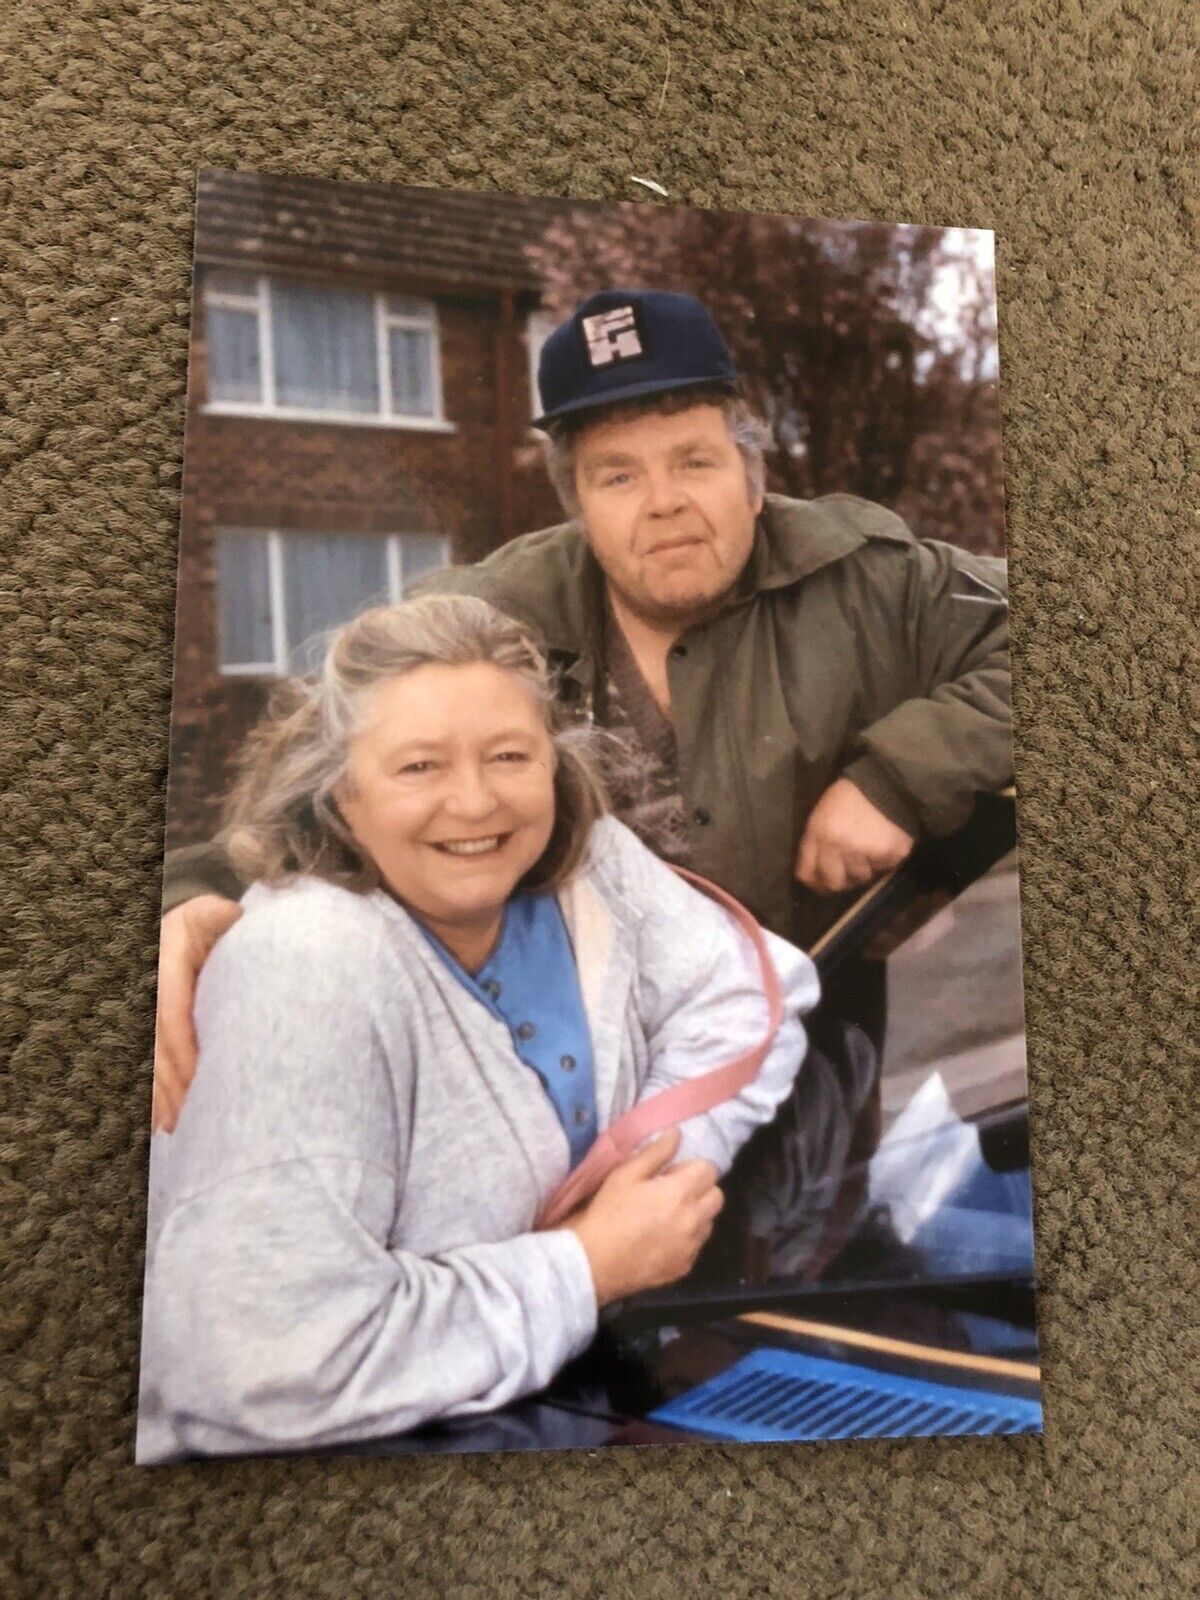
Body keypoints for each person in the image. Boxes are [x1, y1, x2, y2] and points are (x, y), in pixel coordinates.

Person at [152, 287, 1011, 1229]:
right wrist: (189, 900)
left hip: (825, 1059)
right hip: (565, 1119)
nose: (666, 504)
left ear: (752, 475)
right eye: (619, 476)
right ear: (576, 504)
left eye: (695, 460)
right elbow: (332, 778)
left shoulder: (876, 582)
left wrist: (897, 776)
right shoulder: (484, 620)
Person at [137, 595, 818, 1462]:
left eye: (509, 756)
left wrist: (655, 1180)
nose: (475, 802)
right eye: (419, 766)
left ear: (554, 766)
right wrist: (589, 1266)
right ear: (341, 794)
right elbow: (259, 1365)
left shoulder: (587, 867)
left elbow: (756, 997)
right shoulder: (306, 965)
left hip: (555, 1414)